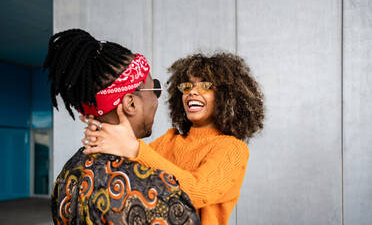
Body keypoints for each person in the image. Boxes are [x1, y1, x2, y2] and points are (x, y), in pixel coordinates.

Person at [82, 53, 265, 224]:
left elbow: (196, 192)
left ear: (226, 96)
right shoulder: (169, 139)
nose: (192, 92)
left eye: (204, 85)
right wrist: (104, 129)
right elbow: (130, 168)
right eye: (187, 86)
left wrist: (134, 148)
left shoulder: (233, 149)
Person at [44, 28, 200, 225]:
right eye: (155, 89)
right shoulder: (154, 188)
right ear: (131, 104)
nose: (157, 100)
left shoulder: (68, 174)